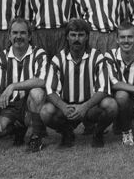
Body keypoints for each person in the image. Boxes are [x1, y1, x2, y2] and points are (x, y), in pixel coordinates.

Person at [40, 19, 117, 148]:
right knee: (45, 112)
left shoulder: (97, 57)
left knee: (111, 105)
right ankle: (67, 133)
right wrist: (63, 107)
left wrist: (84, 107)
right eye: (73, 35)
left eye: (81, 35)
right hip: (66, 108)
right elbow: (49, 89)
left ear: (87, 37)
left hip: (90, 108)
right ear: (67, 37)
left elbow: (103, 89)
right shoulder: (58, 59)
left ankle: (97, 133)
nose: (77, 39)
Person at [0, 18, 48, 151]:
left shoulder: (39, 53)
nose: (18, 36)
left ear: (29, 36)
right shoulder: (1, 57)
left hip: (28, 105)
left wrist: (13, 86)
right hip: (10, 105)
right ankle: (15, 128)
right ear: (9, 36)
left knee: (37, 92)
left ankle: (36, 135)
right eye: (15, 33)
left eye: (22, 33)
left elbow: (42, 80)